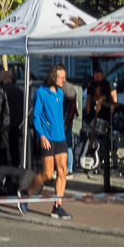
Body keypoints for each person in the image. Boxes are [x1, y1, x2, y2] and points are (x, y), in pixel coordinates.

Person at [19, 64, 72, 220]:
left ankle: (57, 206)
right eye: (61, 77)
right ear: (53, 77)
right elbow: (36, 116)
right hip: (47, 139)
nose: (64, 80)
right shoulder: (41, 93)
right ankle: (25, 193)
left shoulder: (60, 94)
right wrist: (42, 135)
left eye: (65, 77)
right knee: (48, 174)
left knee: (62, 171)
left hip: (60, 137)